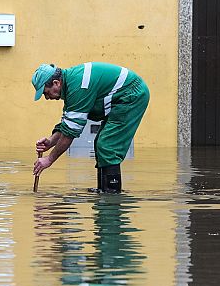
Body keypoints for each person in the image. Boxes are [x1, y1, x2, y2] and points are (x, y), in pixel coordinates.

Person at [32, 62, 150, 193]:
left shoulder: (79, 87)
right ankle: (103, 190)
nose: (47, 98)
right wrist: (50, 142)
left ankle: (111, 195)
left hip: (131, 95)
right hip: (122, 97)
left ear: (56, 83)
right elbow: (68, 124)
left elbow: (70, 132)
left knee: (107, 145)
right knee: (101, 143)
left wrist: (49, 159)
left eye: (46, 93)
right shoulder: (71, 84)